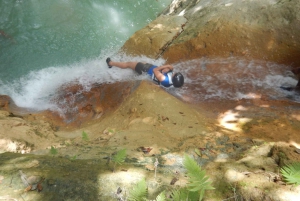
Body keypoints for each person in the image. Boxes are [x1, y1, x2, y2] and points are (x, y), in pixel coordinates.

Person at [106, 57, 184, 88]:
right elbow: (169, 71)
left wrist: (166, 66)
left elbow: (155, 70)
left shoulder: (163, 78)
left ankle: (110, 63)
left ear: (173, 78)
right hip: (149, 69)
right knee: (139, 62)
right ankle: (132, 65)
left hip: (146, 69)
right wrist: (169, 69)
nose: (174, 73)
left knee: (128, 64)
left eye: (174, 74)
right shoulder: (172, 84)